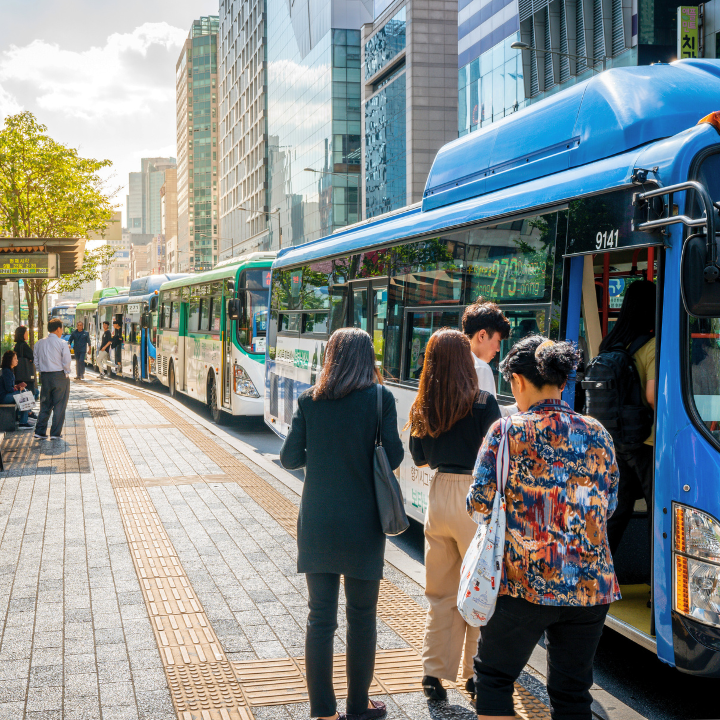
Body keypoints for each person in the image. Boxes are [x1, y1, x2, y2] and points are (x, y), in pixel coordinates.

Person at [467, 335, 620, 720]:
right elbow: (609, 504)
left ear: (518, 381)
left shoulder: (507, 431)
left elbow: (479, 503)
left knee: (494, 678)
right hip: (590, 587)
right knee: (572, 693)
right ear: (563, 381)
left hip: (524, 582)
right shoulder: (598, 432)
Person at [280, 327, 403, 720]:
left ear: (330, 357)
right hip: (364, 525)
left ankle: (322, 712)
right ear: (368, 359)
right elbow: (395, 457)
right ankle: (358, 707)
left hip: (317, 521)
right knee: (362, 618)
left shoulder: (309, 400)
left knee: (320, 618)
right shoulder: (380, 399)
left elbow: (288, 458)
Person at [405, 328, 500, 702]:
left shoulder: (423, 405)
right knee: (480, 587)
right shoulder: (482, 402)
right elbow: (492, 454)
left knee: (440, 591)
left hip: (439, 492)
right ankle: (475, 675)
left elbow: (419, 458)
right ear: (465, 360)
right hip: (472, 496)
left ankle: (433, 674)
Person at [598, 279, 656, 556]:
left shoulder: (611, 342)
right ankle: (657, 586)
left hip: (614, 438)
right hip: (646, 440)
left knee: (617, 509)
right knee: (657, 509)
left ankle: (596, 571)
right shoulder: (651, 345)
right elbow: (653, 395)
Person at [33, 318, 72, 440]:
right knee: (59, 405)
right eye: (62, 329)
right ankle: (55, 433)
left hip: (45, 376)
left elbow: (36, 361)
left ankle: (40, 431)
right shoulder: (62, 343)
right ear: (58, 329)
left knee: (45, 404)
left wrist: (41, 371)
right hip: (59, 376)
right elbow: (67, 361)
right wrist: (66, 373)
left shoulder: (39, 343)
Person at [461, 302, 511, 396]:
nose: (498, 349)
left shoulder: (452, 361)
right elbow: (490, 410)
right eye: (498, 341)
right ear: (482, 335)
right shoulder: (481, 368)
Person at [1, 350, 33, 429]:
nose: (17, 360)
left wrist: (17, 387)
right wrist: (17, 388)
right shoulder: (6, 372)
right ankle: (24, 420)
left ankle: (25, 418)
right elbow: (9, 389)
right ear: (9, 360)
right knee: (24, 395)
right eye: (15, 358)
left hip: (6, 395)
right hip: (3, 397)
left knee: (24, 392)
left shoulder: (8, 370)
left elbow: (9, 386)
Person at [13, 326, 38, 415]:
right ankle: (27, 415)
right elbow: (33, 357)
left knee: (26, 395)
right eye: (26, 333)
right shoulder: (24, 345)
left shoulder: (17, 346)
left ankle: (27, 414)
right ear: (21, 334)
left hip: (19, 374)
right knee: (30, 394)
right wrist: (30, 359)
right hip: (26, 375)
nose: (27, 334)